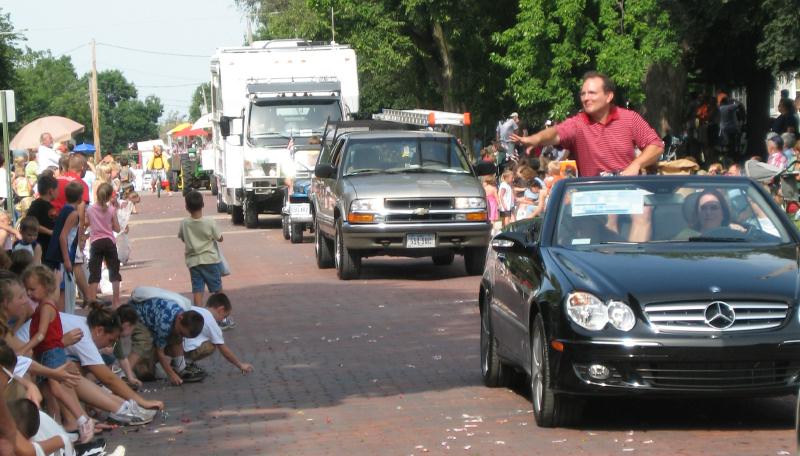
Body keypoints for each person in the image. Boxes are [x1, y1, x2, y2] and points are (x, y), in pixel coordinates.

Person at [511, 71, 664, 177]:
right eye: (583, 94)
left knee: (643, 219)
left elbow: (656, 146)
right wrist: (536, 139)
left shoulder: (629, 118)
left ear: (609, 96)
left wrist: (635, 165)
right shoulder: (577, 123)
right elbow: (556, 132)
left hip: (627, 193)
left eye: (592, 93)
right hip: (592, 199)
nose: (585, 98)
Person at [18, 266, 94, 444]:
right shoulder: (44, 305)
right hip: (44, 353)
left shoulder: (45, 307)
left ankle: (82, 419)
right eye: (27, 290)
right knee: (48, 393)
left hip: (51, 351)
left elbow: (41, 335)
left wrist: (24, 349)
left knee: (57, 389)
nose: (29, 294)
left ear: (45, 286)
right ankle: (56, 428)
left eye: (32, 289)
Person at [126, 297, 204, 386]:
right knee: (144, 342)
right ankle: (124, 374)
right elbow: (160, 354)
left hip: (151, 317)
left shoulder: (181, 316)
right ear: (180, 318)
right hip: (135, 314)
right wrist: (171, 375)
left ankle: (180, 366)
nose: (182, 336)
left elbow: (176, 338)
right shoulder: (164, 324)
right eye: (182, 333)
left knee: (176, 337)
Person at [179, 293, 253, 379]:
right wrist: (240, 365)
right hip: (185, 350)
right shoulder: (211, 322)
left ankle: (179, 361)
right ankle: (186, 363)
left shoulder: (197, 309)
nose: (222, 319)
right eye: (224, 316)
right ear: (221, 310)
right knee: (212, 345)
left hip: (176, 345)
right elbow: (224, 349)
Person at [179, 191, 224, 307]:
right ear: (203, 204)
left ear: (186, 207)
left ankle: (199, 316)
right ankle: (223, 317)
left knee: (197, 290)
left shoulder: (184, 223)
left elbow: (183, 238)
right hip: (209, 260)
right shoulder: (210, 221)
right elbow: (220, 238)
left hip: (193, 262)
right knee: (217, 289)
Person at [43, 181, 84, 312]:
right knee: (63, 291)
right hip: (62, 257)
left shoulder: (65, 209)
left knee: (60, 289)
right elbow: (63, 236)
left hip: (56, 255)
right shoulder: (73, 214)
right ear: (80, 197)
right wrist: (66, 260)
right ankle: (62, 318)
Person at [84, 183, 121, 308]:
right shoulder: (111, 209)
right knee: (114, 271)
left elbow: (87, 223)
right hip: (109, 241)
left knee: (94, 272)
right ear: (110, 196)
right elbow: (117, 228)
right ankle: (116, 301)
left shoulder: (89, 209)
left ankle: (93, 301)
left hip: (96, 242)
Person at [26, 174, 57, 262]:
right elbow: (31, 223)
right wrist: (49, 232)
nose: (58, 192)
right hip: (41, 245)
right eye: (57, 190)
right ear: (51, 191)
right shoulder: (37, 204)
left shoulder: (50, 205)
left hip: (50, 246)